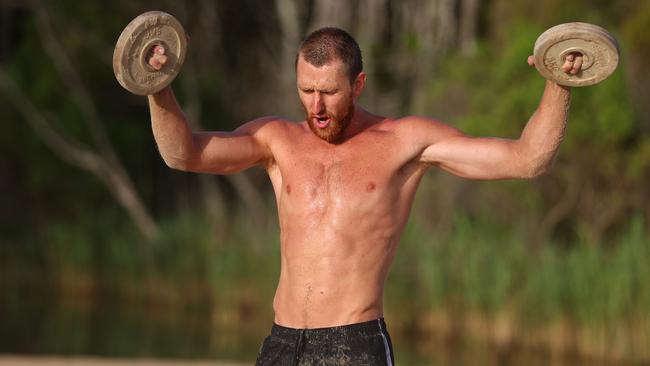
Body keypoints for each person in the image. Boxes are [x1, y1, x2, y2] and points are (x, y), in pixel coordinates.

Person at [146, 27, 581, 365]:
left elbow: (526, 160)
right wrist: (157, 85)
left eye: (329, 92)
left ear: (358, 85)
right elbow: (182, 153)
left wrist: (558, 84)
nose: (316, 106)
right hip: (281, 342)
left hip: (353, 345)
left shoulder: (406, 142)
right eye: (306, 90)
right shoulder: (275, 140)